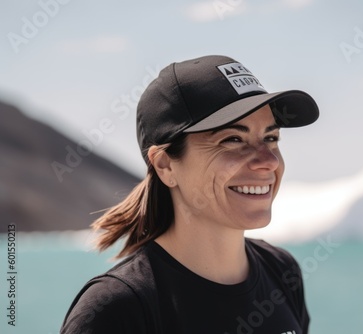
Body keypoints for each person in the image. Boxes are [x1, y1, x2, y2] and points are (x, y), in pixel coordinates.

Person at [60, 55, 319, 334]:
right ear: (165, 164)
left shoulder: (281, 271)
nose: (268, 160)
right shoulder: (117, 309)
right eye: (233, 139)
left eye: (271, 137)